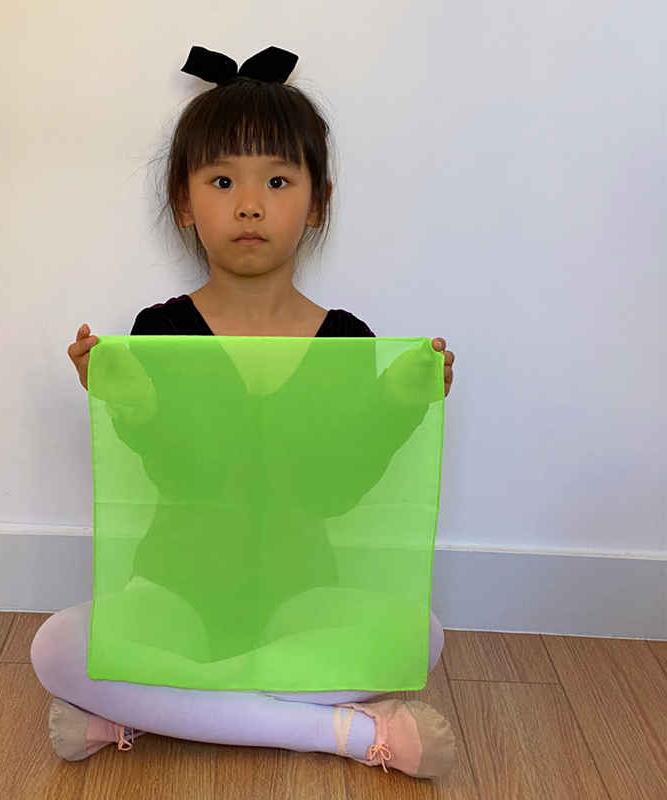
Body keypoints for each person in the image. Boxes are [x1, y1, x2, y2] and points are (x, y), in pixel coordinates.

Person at [32, 44, 457, 780]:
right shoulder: (160, 332)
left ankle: (144, 712)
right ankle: (341, 733)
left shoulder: (345, 340)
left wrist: (396, 404)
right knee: (55, 648)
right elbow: (186, 476)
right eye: (222, 180)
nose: (250, 205)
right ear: (184, 203)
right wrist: (137, 404)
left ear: (317, 201)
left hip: (302, 596)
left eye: (278, 181)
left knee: (420, 635)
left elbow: (331, 491)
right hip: (175, 592)